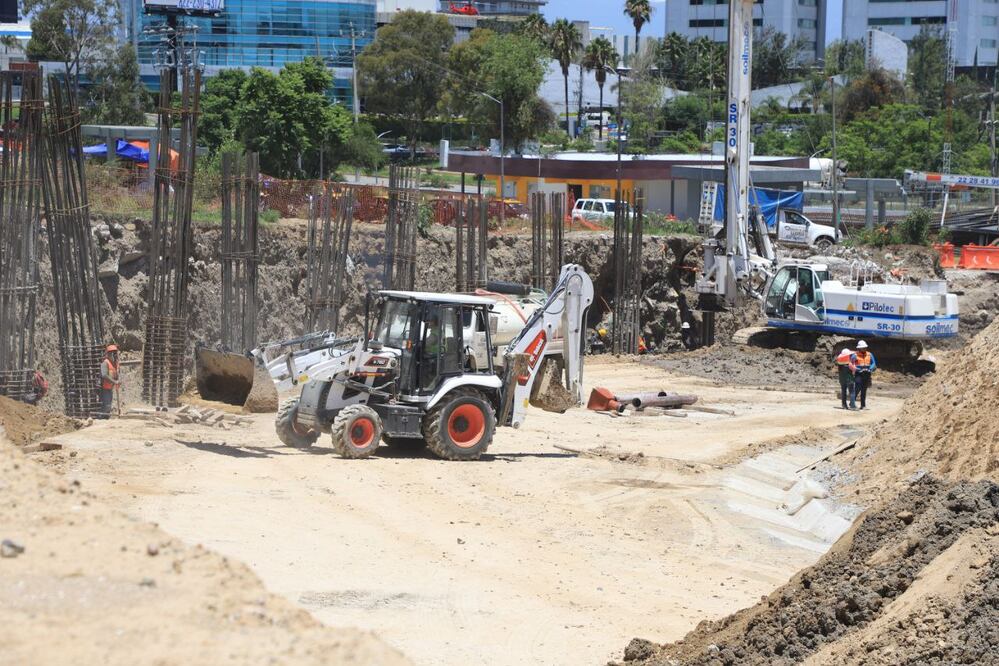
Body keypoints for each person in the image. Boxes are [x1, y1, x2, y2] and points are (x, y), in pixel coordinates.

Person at [853, 340, 877, 409]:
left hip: (867, 373)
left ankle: (863, 405)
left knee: (864, 390)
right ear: (859, 348)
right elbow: (852, 364)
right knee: (857, 388)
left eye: (865, 347)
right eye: (862, 347)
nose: (864, 349)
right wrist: (857, 369)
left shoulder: (870, 354)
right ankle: (852, 403)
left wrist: (870, 368)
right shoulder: (855, 355)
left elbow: (873, 363)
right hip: (859, 374)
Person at [99, 344, 121, 419]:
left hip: (109, 388)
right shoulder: (105, 363)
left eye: (115, 353)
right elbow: (104, 375)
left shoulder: (115, 363)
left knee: (108, 405)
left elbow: (116, 374)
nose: (114, 355)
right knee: (107, 405)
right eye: (112, 353)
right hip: (104, 388)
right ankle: (101, 419)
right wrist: (114, 382)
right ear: (108, 354)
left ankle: (105, 419)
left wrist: (117, 380)